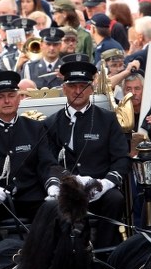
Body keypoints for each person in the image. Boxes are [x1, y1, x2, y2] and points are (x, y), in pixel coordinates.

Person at [0, 71, 58, 253]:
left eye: (11, 95)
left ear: (19, 99)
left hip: (31, 196)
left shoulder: (36, 128)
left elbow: (46, 164)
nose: (7, 101)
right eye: (0, 97)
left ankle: (43, 258)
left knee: (54, 209)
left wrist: (53, 185)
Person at [43, 60, 129, 248]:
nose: (78, 91)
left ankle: (104, 252)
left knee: (115, 199)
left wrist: (106, 183)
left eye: (83, 86)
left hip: (99, 187)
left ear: (91, 88)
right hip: (67, 189)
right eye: (72, 86)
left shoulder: (107, 119)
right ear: (64, 89)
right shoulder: (52, 123)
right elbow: (48, 162)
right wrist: (63, 182)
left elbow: (121, 158)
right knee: (51, 206)